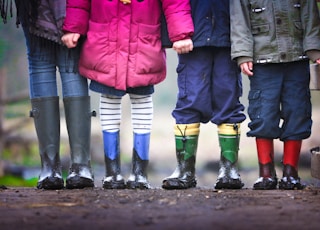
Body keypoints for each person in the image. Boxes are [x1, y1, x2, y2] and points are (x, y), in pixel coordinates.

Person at [61, 0, 194, 189]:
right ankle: (112, 173)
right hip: (105, 41)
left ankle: (139, 173)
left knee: (141, 100)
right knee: (109, 99)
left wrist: (181, 33)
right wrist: (74, 25)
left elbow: (175, 3)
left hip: (143, 42)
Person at [230, 0, 320, 190]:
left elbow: (310, 16)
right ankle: (266, 173)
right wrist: (243, 55)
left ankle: (291, 172)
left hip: (297, 59)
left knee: (298, 112)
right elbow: (240, 22)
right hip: (262, 62)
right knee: (263, 114)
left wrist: (314, 49)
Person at [8, 0, 95, 190]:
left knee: (48, 65)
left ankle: (52, 167)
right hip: (61, 10)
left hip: (52, 10)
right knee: (64, 66)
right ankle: (78, 166)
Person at [161, 0, 246, 190]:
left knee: (229, 101)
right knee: (189, 100)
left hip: (230, 38)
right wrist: (178, 31)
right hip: (192, 38)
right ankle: (185, 170)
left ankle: (229, 168)